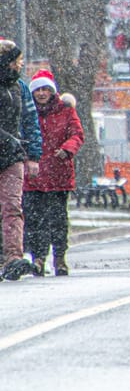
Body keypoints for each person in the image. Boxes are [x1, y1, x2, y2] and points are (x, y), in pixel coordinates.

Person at [22, 70, 83, 277]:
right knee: (34, 220)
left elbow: (76, 134)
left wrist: (67, 149)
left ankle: (59, 257)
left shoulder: (66, 111)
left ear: (52, 91)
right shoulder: (27, 111)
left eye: (45, 89)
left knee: (58, 219)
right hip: (34, 174)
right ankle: (38, 257)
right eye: (37, 90)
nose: (41, 93)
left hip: (59, 173)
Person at [0, 40, 41, 281]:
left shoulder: (19, 88)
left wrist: (32, 153)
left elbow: (29, 119)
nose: (21, 65)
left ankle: (13, 257)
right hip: (9, 146)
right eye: (18, 61)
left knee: (12, 207)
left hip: (12, 156)